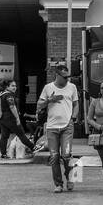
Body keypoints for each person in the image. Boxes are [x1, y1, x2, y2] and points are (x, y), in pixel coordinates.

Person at [37, 63, 80, 193]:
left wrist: (74, 117)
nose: (67, 79)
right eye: (64, 77)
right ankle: (58, 184)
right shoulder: (48, 88)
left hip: (67, 126)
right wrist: (50, 100)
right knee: (54, 156)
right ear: (57, 75)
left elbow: (76, 104)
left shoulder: (72, 87)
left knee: (66, 155)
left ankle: (71, 178)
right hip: (52, 128)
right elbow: (39, 105)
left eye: (68, 76)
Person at [0, 80, 33, 159]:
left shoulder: (2, 94)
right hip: (10, 118)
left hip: (2, 118)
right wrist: (17, 118)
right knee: (21, 134)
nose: (14, 87)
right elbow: (12, 106)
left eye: (15, 86)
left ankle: (3, 154)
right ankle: (34, 148)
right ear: (7, 87)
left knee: (4, 136)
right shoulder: (9, 95)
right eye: (12, 86)